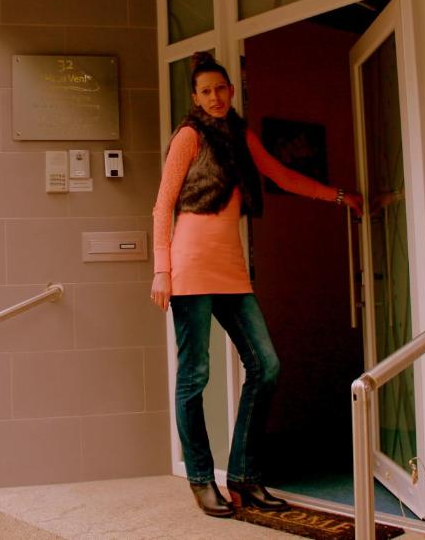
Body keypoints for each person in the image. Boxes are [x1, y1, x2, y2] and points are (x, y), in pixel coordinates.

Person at [150, 52, 363, 517]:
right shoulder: (188, 135)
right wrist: (162, 268)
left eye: (221, 88)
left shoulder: (242, 137)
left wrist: (342, 197)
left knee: (266, 365)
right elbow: (163, 205)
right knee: (194, 377)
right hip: (189, 267)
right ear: (195, 97)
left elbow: (282, 175)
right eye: (206, 91)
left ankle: (244, 475)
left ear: (231, 90)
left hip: (230, 268)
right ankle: (203, 480)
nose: (215, 97)